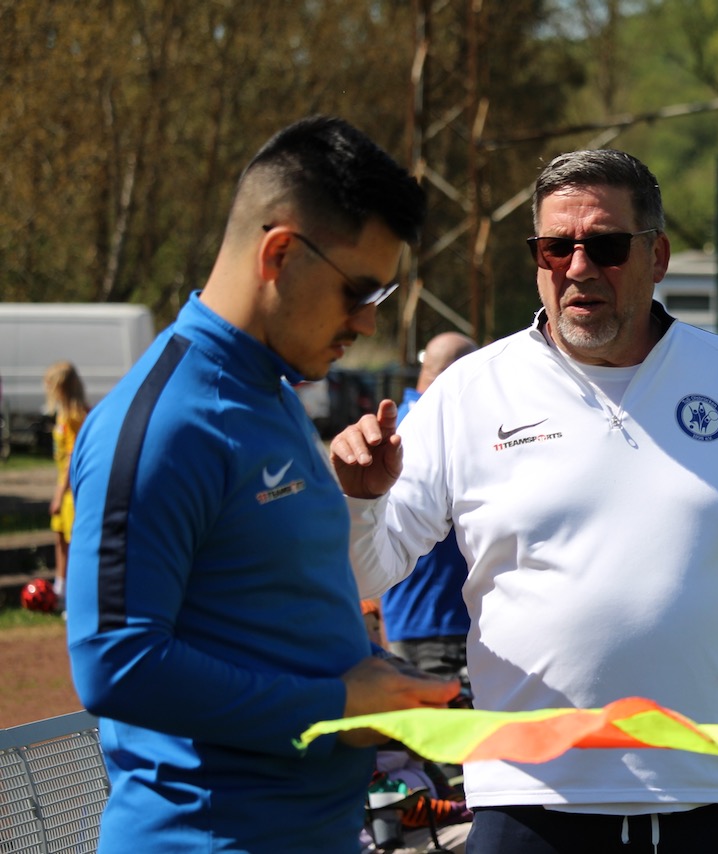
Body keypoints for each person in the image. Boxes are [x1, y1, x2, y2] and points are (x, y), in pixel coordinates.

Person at [331, 149, 718, 854]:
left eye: (606, 246)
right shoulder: (470, 391)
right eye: (556, 247)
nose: (578, 268)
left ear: (656, 256)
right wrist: (360, 500)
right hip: (530, 801)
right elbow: (366, 570)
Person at [64, 115, 458, 854]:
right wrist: (337, 703)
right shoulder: (165, 423)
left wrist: (377, 683)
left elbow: (268, 614)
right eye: (358, 292)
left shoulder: (272, 394)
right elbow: (115, 663)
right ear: (279, 253)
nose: (367, 324)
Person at [382, 331, 479, 685]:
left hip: (412, 617)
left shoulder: (398, 424)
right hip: (441, 621)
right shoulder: (442, 428)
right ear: (461, 372)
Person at [44, 360, 88, 609]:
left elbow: (73, 457)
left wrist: (59, 495)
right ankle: (60, 590)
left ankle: (73, 597)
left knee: (73, 543)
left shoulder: (75, 416)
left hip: (71, 492)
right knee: (60, 539)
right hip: (63, 487)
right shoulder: (63, 414)